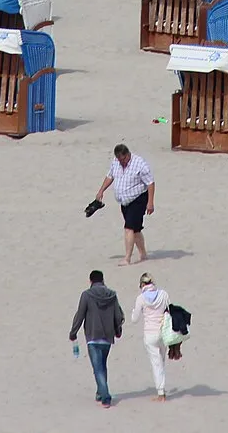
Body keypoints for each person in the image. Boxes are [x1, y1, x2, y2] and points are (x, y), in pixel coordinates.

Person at [69, 270, 123, 408]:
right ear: (103, 280)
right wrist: (118, 330)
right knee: (102, 365)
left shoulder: (86, 295)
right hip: (107, 336)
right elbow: (119, 315)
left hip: (93, 336)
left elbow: (80, 314)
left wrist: (73, 332)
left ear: (91, 281)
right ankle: (100, 392)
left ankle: (105, 397)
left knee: (97, 368)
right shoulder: (112, 295)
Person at [94, 143, 154, 265]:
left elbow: (150, 183)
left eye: (123, 159)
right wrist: (101, 190)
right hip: (124, 201)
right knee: (136, 229)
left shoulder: (140, 163)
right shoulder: (116, 162)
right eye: (119, 160)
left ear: (127, 155)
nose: (121, 162)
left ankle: (127, 258)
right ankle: (143, 254)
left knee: (128, 228)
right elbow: (110, 176)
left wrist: (150, 203)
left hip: (138, 199)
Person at [130, 273, 170, 402]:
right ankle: (162, 389)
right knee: (161, 361)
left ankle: (161, 393)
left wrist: (134, 311)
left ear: (142, 284)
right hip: (163, 332)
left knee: (155, 362)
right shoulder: (163, 294)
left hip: (150, 333)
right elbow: (169, 310)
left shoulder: (141, 298)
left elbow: (134, 319)